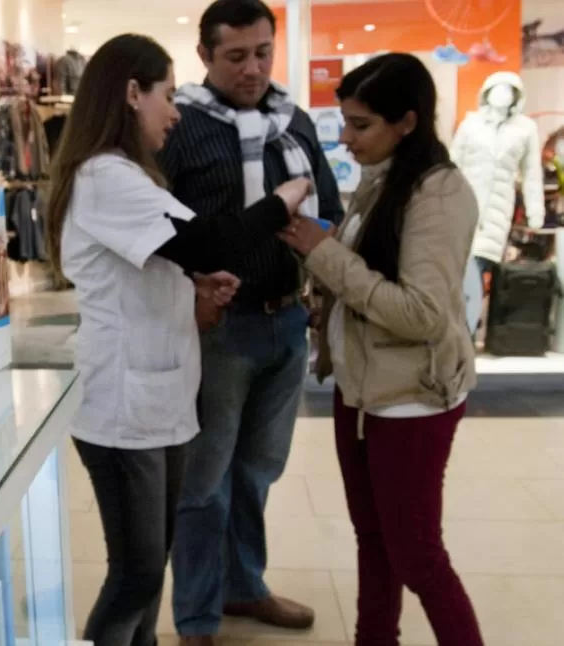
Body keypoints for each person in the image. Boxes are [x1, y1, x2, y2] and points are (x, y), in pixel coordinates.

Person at [44, 33, 311, 646]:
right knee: (135, 575)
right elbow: (212, 241)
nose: (175, 112)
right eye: (167, 96)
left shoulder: (133, 176)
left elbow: (173, 253)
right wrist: (279, 201)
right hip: (123, 408)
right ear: (133, 93)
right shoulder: (105, 175)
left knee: (148, 567)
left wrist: (192, 289)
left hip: (157, 397)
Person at [278, 53, 484, 646]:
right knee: (374, 541)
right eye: (344, 121)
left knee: (418, 555)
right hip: (363, 392)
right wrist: (327, 307)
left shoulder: (439, 195)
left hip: (411, 400)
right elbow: (373, 287)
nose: (345, 138)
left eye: (361, 124)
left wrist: (325, 252)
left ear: (409, 122)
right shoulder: (383, 181)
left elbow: (420, 314)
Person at [158, 1, 343, 642]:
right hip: (218, 326)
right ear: (205, 55)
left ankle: (244, 587)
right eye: (237, 56)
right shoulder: (180, 127)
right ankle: (198, 614)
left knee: (259, 470)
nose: (254, 68)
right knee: (205, 478)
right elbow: (159, 234)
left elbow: (328, 211)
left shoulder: (295, 122)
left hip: (286, 321)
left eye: (263, 52)